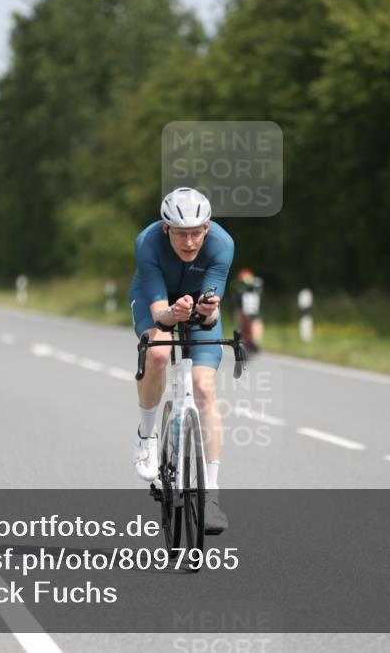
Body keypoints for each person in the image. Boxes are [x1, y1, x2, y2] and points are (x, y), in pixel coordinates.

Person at [128, 187, 233, 534]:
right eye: (180, 234)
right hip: (155, 300)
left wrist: (205, 312)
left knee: (204, 388)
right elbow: (159, 311)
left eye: (195, 233)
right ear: (165, 229)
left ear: (207, 228)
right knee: (158, 352)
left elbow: (210, 316)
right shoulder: (147, 242)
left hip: (196, 305)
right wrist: (173, 313)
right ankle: (146, 436)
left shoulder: (222, 245)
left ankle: (212, 496)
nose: (189, 242)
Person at [233, 268, 264, 353]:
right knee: (246, 322)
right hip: (243, 309)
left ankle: (253, 341)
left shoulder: (254, 287)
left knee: (254, 321)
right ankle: (249, 341)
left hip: (250, 309)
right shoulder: (239, 289)